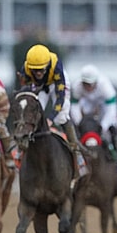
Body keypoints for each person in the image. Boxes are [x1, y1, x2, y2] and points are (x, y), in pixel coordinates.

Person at [17, 44, 88, 177]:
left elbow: (60, 99)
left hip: (57, 84)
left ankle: (77, 153)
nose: (38, 73)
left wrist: (50, 118)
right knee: (32, 112)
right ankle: (22, 147)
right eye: (35, 70)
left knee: (61, 116)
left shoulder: (56, 68)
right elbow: (26, 93)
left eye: (41, 70)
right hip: (41, 86)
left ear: (47, 65)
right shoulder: (25, 70)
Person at [71, 64, 117, 170]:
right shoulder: (77, 87)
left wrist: (102, 126)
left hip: (103, 108)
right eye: (85, 84)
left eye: (90, 84)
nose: (88, 87)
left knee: (113, 130)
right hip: (86, 107)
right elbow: (74, 107)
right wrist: (80, 123)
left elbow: (111, 111)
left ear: (96, 81)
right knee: (74, 130)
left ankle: (116, 159)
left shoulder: (106, 87)